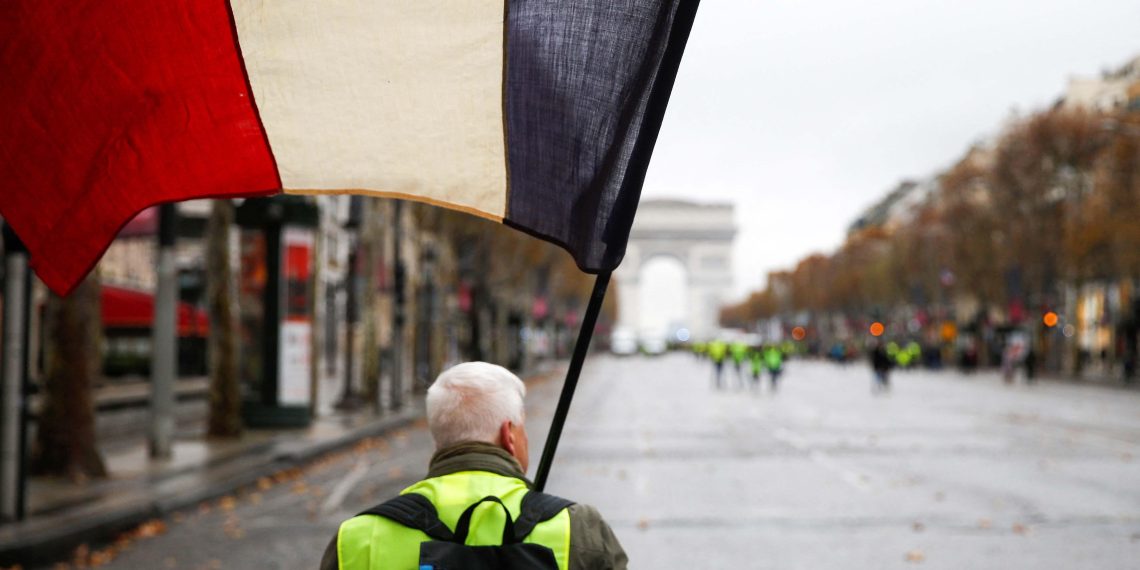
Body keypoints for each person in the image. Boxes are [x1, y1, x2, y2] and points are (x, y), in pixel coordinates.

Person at [320, 362, 627, 570]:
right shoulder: (578, 528)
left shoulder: (357, 538)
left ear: (438, 439)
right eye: (523, 429)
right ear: (509, 435)